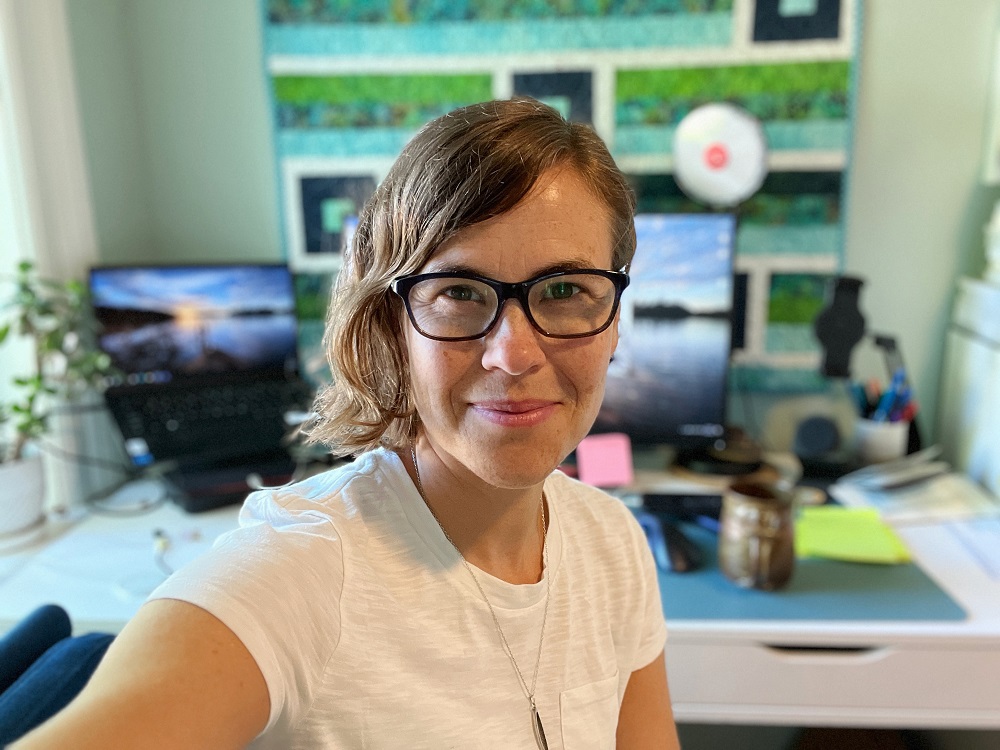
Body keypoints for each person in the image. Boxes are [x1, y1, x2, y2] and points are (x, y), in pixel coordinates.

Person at [12, 97, 681, 749]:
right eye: (457, 292)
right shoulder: (300, 576)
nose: (513, 354)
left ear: (614, 317)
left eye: (565, 290)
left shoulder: (613, 545)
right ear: (395, 326)